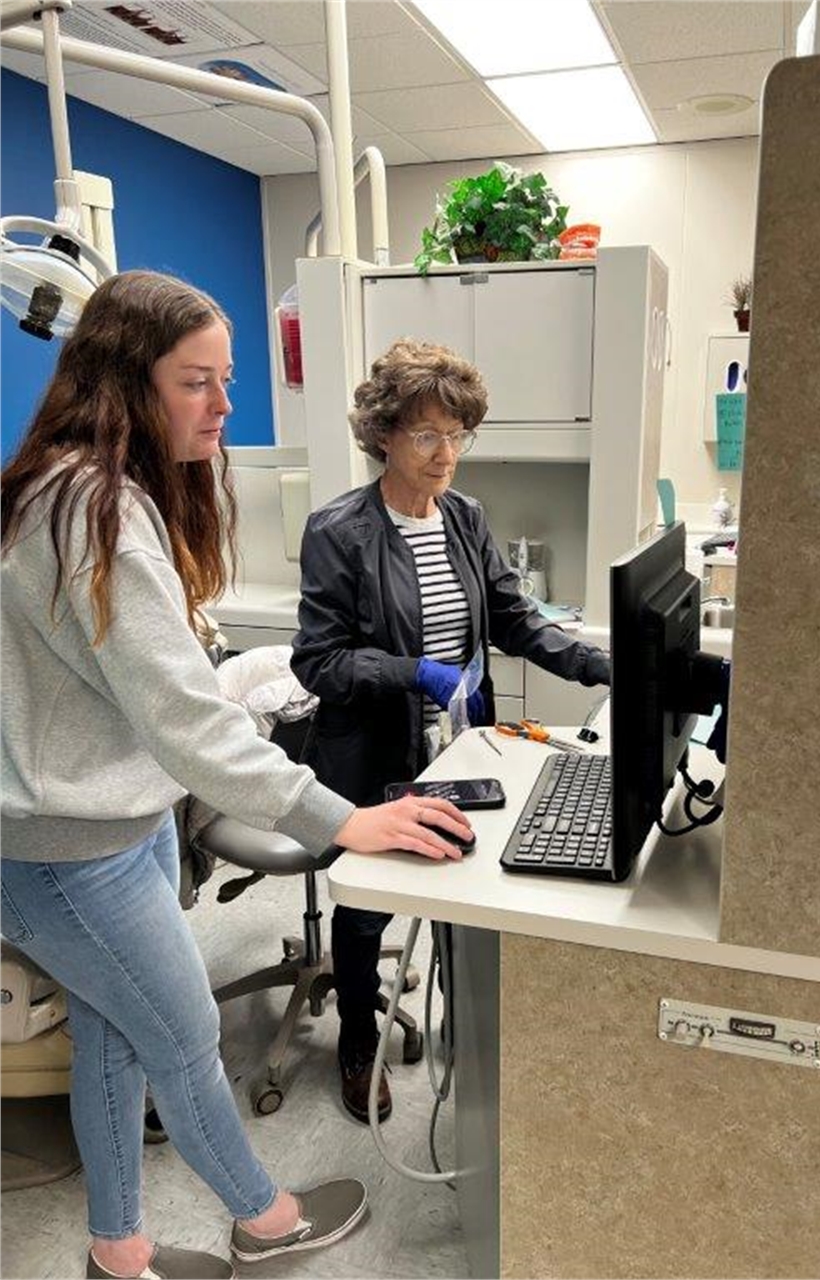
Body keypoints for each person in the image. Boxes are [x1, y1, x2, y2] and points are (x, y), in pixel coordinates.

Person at [0, 273, 475, 1280]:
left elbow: (131, 688)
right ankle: (268, 1219)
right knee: (182, 1037)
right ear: (127, 381)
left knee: (117, 1041)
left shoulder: (71, 490)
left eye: (226, 380)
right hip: (71, 853)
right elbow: (183, 720)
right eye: (197, 382)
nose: (224, 406)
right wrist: (344, 820)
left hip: (98, 832)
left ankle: (116, 1252)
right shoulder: (96, 512)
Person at [291, 338, 610, 1124]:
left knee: (471, 885)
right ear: (384, 436)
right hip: (374, 748)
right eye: (427, 435)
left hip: (462, 741)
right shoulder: (339, 532)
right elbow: (319, 663)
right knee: (369, 905)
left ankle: (474, 1032)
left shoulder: (465, 517)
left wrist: (598, 664)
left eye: (457, 434)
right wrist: (415, 672)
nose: (446, 454)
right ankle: (358, 1036)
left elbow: (511, 617)